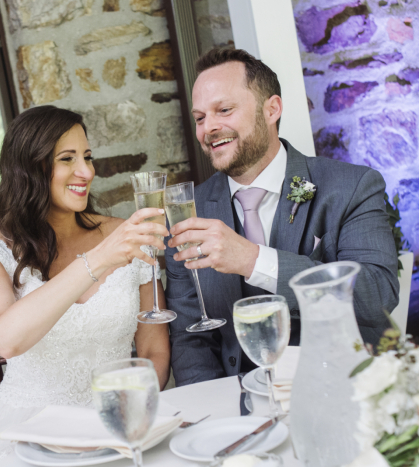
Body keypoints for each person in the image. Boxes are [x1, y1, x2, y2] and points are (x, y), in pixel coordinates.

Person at [0, 105, 171, 466]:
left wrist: (125, 415)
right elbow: (6, 339)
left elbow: (154, 350)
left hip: (120, 424)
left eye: (88, 157)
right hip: (31, 435)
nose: (86, 171)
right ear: (30, 168)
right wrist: (98, 260)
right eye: (68, 158)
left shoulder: (124, 235)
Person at [166, 47, 400, 386]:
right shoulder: (189, 211)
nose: (209, 128)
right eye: (200, 118)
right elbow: (190, 339)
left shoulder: (351, 186)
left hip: (343, 386)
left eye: (224, 110)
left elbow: (375, 295)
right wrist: (217, 414)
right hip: (239, 407)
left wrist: (252, 259)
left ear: (271, 109)